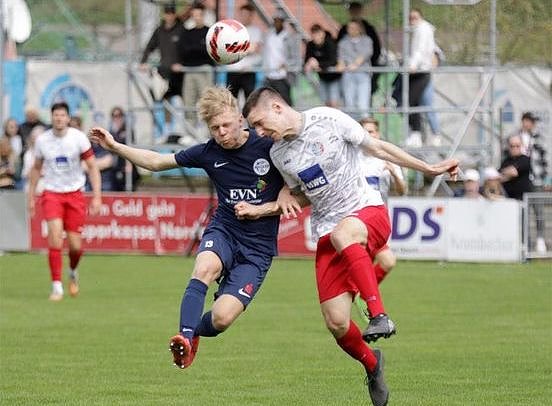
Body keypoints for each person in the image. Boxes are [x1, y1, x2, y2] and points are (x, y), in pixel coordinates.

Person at [242, 87, 458, 405]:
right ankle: (372, 365)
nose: (259, 133)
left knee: (345, 235)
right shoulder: (279, 155)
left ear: (276, 107)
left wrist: (428, 168)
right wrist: (271, 204)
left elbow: (378, 148)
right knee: (337, 322)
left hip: (367, 211)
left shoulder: (328, 119)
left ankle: (379, 314)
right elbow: (305, 194)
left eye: (260, 124)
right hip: (328, 230)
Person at [88, 86, 292, 370]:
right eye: (214, 128)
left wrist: (286, 192)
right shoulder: (208, 152)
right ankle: (183, 337)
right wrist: (115, 147)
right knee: (204, 268)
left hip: (257, 249)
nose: (221, 133)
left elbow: (299, 179)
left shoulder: (269, 146)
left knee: (222, 318)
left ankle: (194, 333)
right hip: (225, 230)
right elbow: (157, 162)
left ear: (240, 119)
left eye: (226, 125)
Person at [27, 102, 102, 301]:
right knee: (55, 238)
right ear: (51, 117)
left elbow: (92, 167)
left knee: (76, 247)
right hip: (52, 193)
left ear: (68, 118)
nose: (59, 118)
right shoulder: (43, 140)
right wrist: (31, 197)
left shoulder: (78, 139)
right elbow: (36, 168)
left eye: (62, 115)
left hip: (75, 194)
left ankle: (72, 271)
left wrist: (97, 196)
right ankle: (57, 286)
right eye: (56, 115)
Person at [393, 8, 437, 147]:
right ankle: (417, 133)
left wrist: (412, 65)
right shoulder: (415, 30)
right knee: (412, 103)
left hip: (420, 72)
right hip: (415, 71)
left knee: (416, 103)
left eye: (415, 17)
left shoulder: (423, 29)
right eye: (410, 17)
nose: (412, 20)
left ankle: (429, 134)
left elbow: (420, 50)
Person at [139, 3, 186, 111]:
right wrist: (143, 61)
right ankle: (163, 122)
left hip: (179, 75)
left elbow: (187, 51)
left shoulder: (181, 30)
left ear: (175, 14)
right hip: (164, 73)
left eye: (171, 13)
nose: (169, 16)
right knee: (160, 100)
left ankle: (184, 122)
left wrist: (182, 64)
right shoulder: (159, 31)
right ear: (164, 15)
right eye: (167, 13)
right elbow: (149, 47)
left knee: (182, 103)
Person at [173, 3, 214, 122]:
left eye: (199, 15)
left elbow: (208, 52)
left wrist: (194, 50)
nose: (197, 18)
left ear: (203, 15)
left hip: (204, 71)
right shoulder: (187, 33)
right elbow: (183, 51)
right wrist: (199, 48)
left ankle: (209, 131)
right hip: (189, 71)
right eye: (194, 15)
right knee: (188, 105)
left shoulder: (209, 32)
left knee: (207, 105)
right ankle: (190, 131)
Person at [337, 1, 381, 96]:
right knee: (349, 99)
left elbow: (375, 49)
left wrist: (369, 63)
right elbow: (339, 49)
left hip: (366, 70)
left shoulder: (369, 29)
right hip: (348, 71)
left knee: (365, 97)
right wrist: (343, 62)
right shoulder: (343, 30)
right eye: (353, 10)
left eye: (357, 10)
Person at [226, 3, 263, 101]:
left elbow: (254, 49)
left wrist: (235, 48)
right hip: (233, 71)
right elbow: (227, 49)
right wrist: (247, 48)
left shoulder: (256, 31)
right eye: (242, 14)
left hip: (248, 72)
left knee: (249, 102)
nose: (244, 17)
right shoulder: (232, 30)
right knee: (230, 102)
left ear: (251, 16)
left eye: (247, 15)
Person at [336, 19, 373, 119]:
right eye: (350, 28)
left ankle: (364, 125)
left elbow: (366, 53)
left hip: (363, 74)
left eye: (354, 28)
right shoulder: (343, 42)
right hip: (348, 75)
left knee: (363, 104)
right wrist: (341, 65)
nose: (351, 30)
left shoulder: (367, 40)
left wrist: (355, 64)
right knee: (349, 103)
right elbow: (341, 58)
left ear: (359, 29)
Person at [262, 12, 296, 106]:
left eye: (279, 21)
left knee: (285, 103)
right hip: (269, 74)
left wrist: (286, 64)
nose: (277, 23)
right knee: (268, 102)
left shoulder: (288, 37)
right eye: (275, 21)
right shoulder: (269, 35)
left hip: (282, 76)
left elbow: (294, 57)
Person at [304, 24, 341, 108]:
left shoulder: (330, 43)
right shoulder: (310, 45)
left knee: (334, 103)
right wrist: (311, 62)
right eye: (314, 34)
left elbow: (333, 61)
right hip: (322, 78)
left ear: (323, 34)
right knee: (325, 103)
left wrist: (319, 64)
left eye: (318, 33)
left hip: (334, 77)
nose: (316, 36)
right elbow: (307, 60)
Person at [108, 107, 140, 191]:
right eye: (114, 116)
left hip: (126, 163)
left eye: (119, 115)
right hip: (116, 165)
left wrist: (129, 163)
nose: (117, 118)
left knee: (128, 188)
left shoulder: (128, 130)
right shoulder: (112, 131)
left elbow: (131, 148)